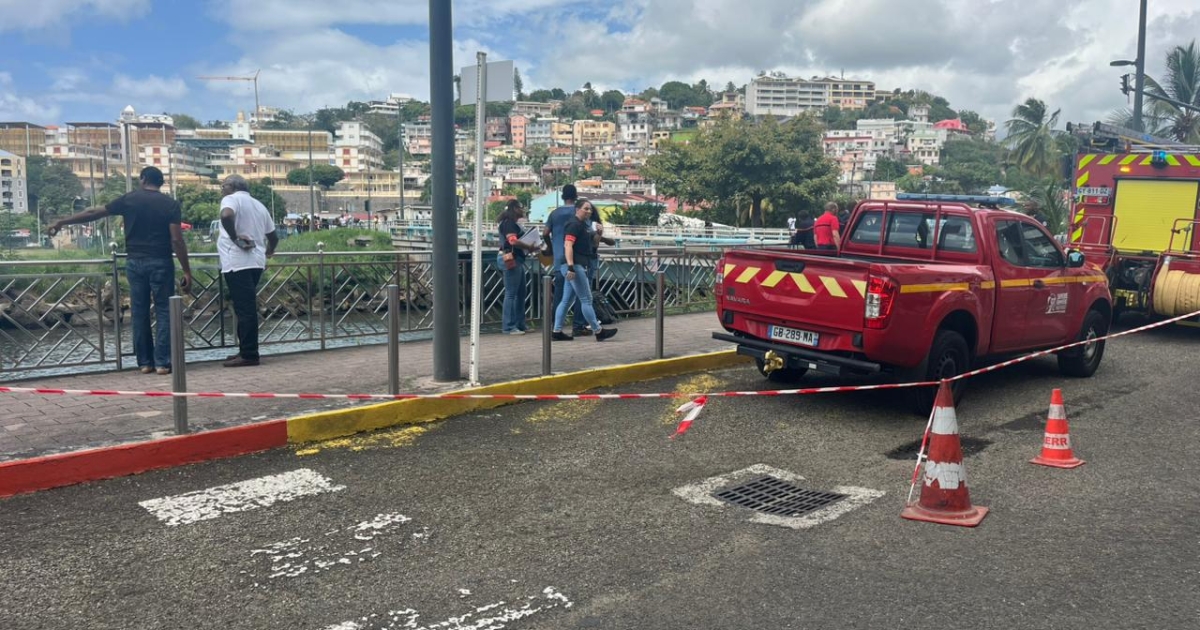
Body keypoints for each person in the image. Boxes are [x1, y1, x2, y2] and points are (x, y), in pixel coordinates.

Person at [46, 166, 192, 375]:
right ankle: (163, 362)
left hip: (134, 261)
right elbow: (177, 239)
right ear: (160, 183)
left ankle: (144, 363)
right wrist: (187, 270)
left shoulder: (129, 199)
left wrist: (62, 221)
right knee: (164, 311)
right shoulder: (170, 204)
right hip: (161, 261)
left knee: (139, 312)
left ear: (143, 179)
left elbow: (93, 212)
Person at [217, 174, 278, 367]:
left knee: (245, 308)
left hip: (237, 261)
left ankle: (250, 354)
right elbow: (273, 236)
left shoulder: (231, 200)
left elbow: (226, 215)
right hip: (256, 261)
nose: (222, 189)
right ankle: (245, 349)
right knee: (246, 306)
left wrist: (234, 237)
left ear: (232, 187)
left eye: (223, 185)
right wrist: (268, 251)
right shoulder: (259, 205)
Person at [552, 198, 617, 342]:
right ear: (577, 209)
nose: (589, 211)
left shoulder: (584, 226)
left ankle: (556, 331)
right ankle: (598, 331)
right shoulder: (574, 224)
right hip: (574, 266)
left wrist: (599, 233)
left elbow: (593, 243)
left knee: (567, 300)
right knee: (586, 299)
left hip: (575, 265)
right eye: (586, 208)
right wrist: (570, 266)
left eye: (590, 209)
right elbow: (568, 245)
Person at [543, 184, 587, 336]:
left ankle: (556, 326)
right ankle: (578, 325)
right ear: (575, 196)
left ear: (563, 196)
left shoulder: (554, 213)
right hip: (575, 260)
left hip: (558, 259)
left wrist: (550, 247)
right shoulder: (579, 212)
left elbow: (545, 232)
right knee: (581, 294)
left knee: (560, 296)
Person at [496, 199, 539, 335]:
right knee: (511, 294)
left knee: (520, 293)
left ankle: (520, 324)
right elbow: (512, 241)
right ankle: (509, 326)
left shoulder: (511, 223)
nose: (523, 209)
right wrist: (529, 246)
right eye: (521, 207)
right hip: (511, 258)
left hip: (516, 259)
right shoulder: (509, 224)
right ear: (514, 209)